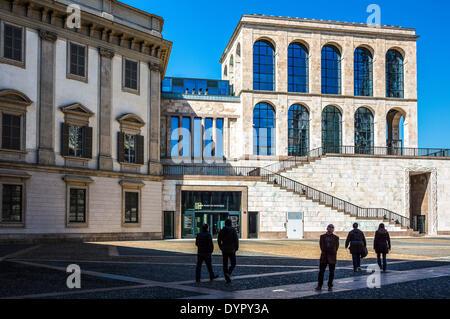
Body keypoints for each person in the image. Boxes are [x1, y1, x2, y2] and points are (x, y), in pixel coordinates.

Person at [315, 224, 340, 292]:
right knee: (321, 272)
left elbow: (337, 247)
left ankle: (330, 285)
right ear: (327, 228)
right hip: (324, 256)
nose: (331, 228)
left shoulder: (336, 237)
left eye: (332, 228)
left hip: (332, 256)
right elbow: (321, 246)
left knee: (331, 272)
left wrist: (333, 252)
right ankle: (319, 285)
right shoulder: (322, 237)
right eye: (330, 227)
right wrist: (325, 251)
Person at [217, 219, 239, 284]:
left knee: (225, 264)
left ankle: (227, 278)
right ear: (230, 223)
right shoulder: (233, 230)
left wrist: (220, 247)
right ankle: (228, 273)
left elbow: (218, 240)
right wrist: (236, 248)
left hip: (224, 249)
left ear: (225, 223)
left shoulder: (222, 230)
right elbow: (236, 239)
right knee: (233, 263)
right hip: (232, 249)